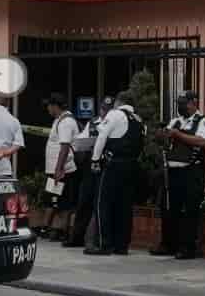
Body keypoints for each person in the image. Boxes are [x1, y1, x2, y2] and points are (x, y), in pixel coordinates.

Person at [157, 89, 205, 260]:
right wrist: (162, 134)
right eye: (179, 103)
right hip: (173, 171)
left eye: (183, 103)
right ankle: (168, 245)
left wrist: (178, 135)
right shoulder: (176, 121)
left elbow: (203, 141)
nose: (180, 106)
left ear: (193, 103)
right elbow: (165, 137)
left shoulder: (203, 121)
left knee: (190, 209)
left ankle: (188, 248)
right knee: (170, 208)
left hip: (192, 171)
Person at [92, 91, 142, 255]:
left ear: (119, 102)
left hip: (113, 165)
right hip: (131, 166)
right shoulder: (138, 119)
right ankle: (121, 246)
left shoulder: (115, 114)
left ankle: (103, 244)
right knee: (124, 207)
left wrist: (95, 159)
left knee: (103, 204)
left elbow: (102, 136)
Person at [66, 99, 108, 250]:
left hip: (104, 167)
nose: (104, 112)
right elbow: (79, 139)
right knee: (83, 202)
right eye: (103, 109)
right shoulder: (93, 122)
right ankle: (76, 237)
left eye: (107, 109)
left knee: (99, 203)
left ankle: (96, 240)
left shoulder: (113, 123)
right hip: (89, 167)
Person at [38, 94, 80, 240]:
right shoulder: (59, 120)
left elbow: (65, 147)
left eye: (49, 105)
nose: (48, 108)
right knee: (52, 199)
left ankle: (62, 231)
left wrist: (58, 169)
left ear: (55, 106)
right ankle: (47, 228)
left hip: (63, 170)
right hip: (55, 169)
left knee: (63, 202)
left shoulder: (66, 122)